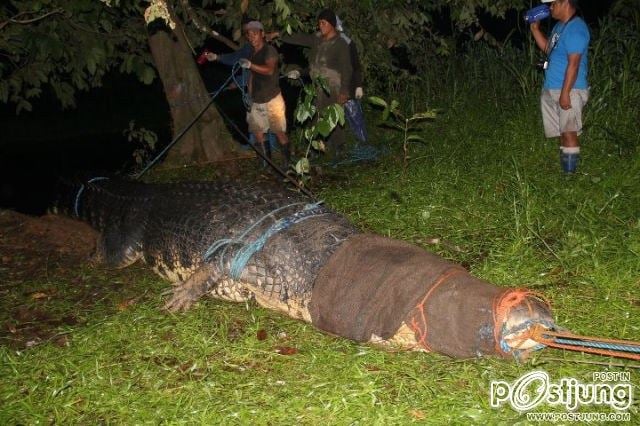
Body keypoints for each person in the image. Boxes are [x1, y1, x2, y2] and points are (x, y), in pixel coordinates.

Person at [268, 9, 352, 160]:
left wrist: (344, 92)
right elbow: (299, 38)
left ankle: (340, 149)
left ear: (332, 24)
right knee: (314, 115)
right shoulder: (317, 39)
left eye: (324, 23)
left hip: (333, 86)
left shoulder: (341, 43)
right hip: (317, 86)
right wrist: (278, 34)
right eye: (319, 23)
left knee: (333, 117)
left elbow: (347, 68)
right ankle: (315, 149)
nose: (320, 26)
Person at [206, 20, 289, 167]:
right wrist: (217, 58)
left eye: (255, 34)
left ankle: (287, 164)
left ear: (262, 34)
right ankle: (267, 166)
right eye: (249, 35)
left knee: (278, 132)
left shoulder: (269, 50)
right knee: (258, 133)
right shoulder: (249, 51)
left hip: (272, 99)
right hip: (255, 100)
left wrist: (250, 65)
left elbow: (269, 70)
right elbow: (242, 66)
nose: (252, 37)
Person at [530, 0, 590, 174]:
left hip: (570, 89)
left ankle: (570, 176)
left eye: (552, 3)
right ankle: (566, 169)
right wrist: (535, 30)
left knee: (569, 131)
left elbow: (574, 64)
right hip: (553, 87)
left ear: (565, 2)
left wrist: (565, 94)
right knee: (563, 132)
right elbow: (549, 50)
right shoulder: (559, 27)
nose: (549, 7)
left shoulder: (576, 28)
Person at [336, 16, 368, 144]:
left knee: (355, 117)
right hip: (333, 88)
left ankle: (364, 145)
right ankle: (338, 148)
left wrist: (358, 86)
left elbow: (355, 66)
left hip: (348, 88)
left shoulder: (347, 43)